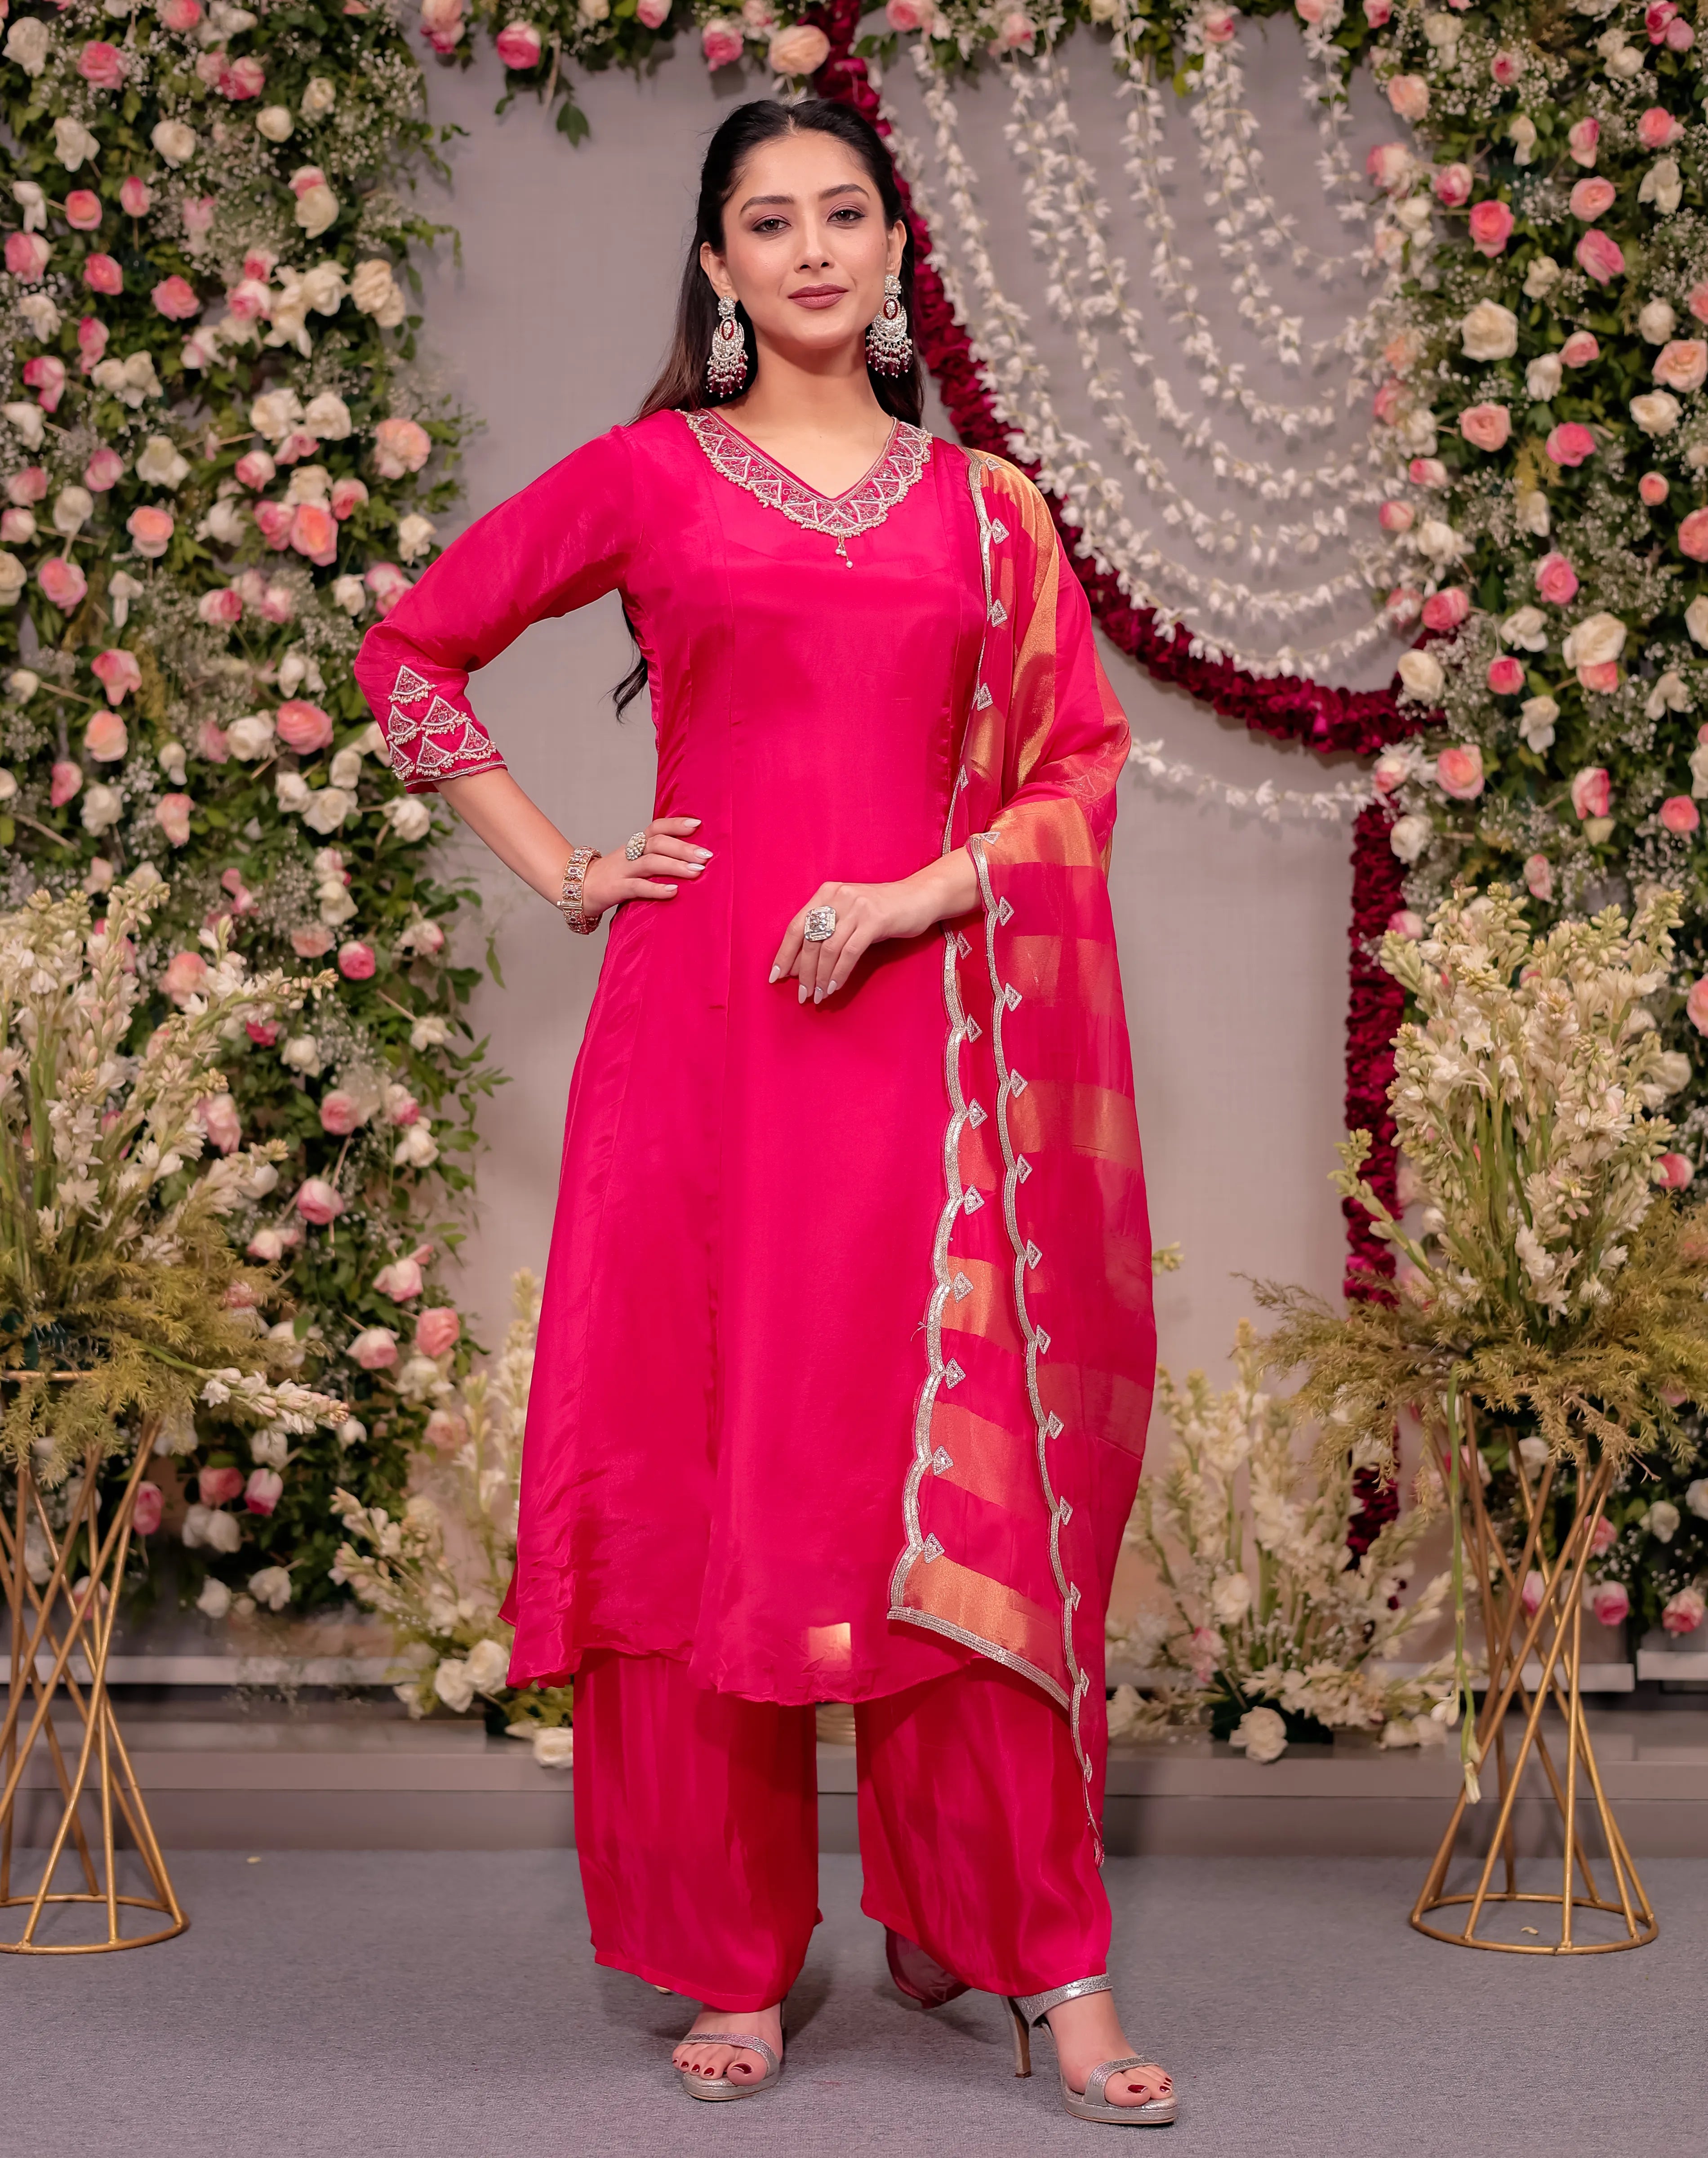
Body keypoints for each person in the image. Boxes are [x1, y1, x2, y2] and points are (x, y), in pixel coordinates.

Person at [354, 97, 1170, 2127]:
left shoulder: (989, 508)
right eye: (763, 223)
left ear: (897, 250)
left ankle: (1032, 1952)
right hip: (700, 1045)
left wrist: (910, 891)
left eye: (841, 214)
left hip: (925, 1037)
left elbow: (1071, 774)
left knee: (946, 1469)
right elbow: (409, 653)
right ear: (713, 270)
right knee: (717, 1468)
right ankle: (731, 1949)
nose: (808, 248)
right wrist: (562, 864)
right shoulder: (648, 477)